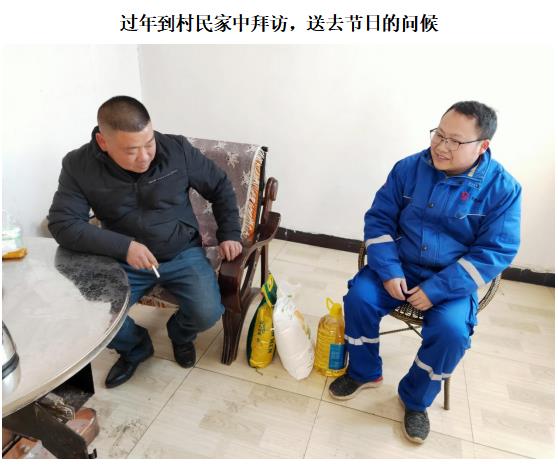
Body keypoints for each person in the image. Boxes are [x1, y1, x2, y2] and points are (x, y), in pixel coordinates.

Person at [329, 101, 521, 443]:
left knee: (452, 333)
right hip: (399, 266)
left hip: (451, 282)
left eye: (454, 141)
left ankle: (415, 400)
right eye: (439, 134)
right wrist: (388, 270)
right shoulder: (408, 168)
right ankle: (364, 372)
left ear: (482, 146)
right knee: (359, 299)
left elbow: (496, 251)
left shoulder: (503, 189)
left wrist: (437, 289)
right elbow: (379, 220)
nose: (441, 146)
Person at [48, 96, 242, 388]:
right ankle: (136, 347)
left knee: (208, 313)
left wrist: (230, 233)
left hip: (180, 251)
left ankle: (180, 334)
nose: (144, 157)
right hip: (123, 260)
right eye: (131, 150)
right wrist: (124, 247)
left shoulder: (176, 150)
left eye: (149, 143)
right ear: (103, 142)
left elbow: (220, 186)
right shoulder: (78, 165)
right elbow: (63, 223)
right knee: (95, 317)